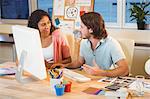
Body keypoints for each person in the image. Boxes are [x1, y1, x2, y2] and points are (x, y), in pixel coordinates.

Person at [66, 12, 129, 77]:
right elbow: (79, 62)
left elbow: (125, 69)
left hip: (104, 81)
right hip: (89, 80)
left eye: (82, 27)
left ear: (91, 30)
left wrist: (101, 73)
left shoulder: (111, 43)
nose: (79, 30)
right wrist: (64, 65)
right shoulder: (84, 42)